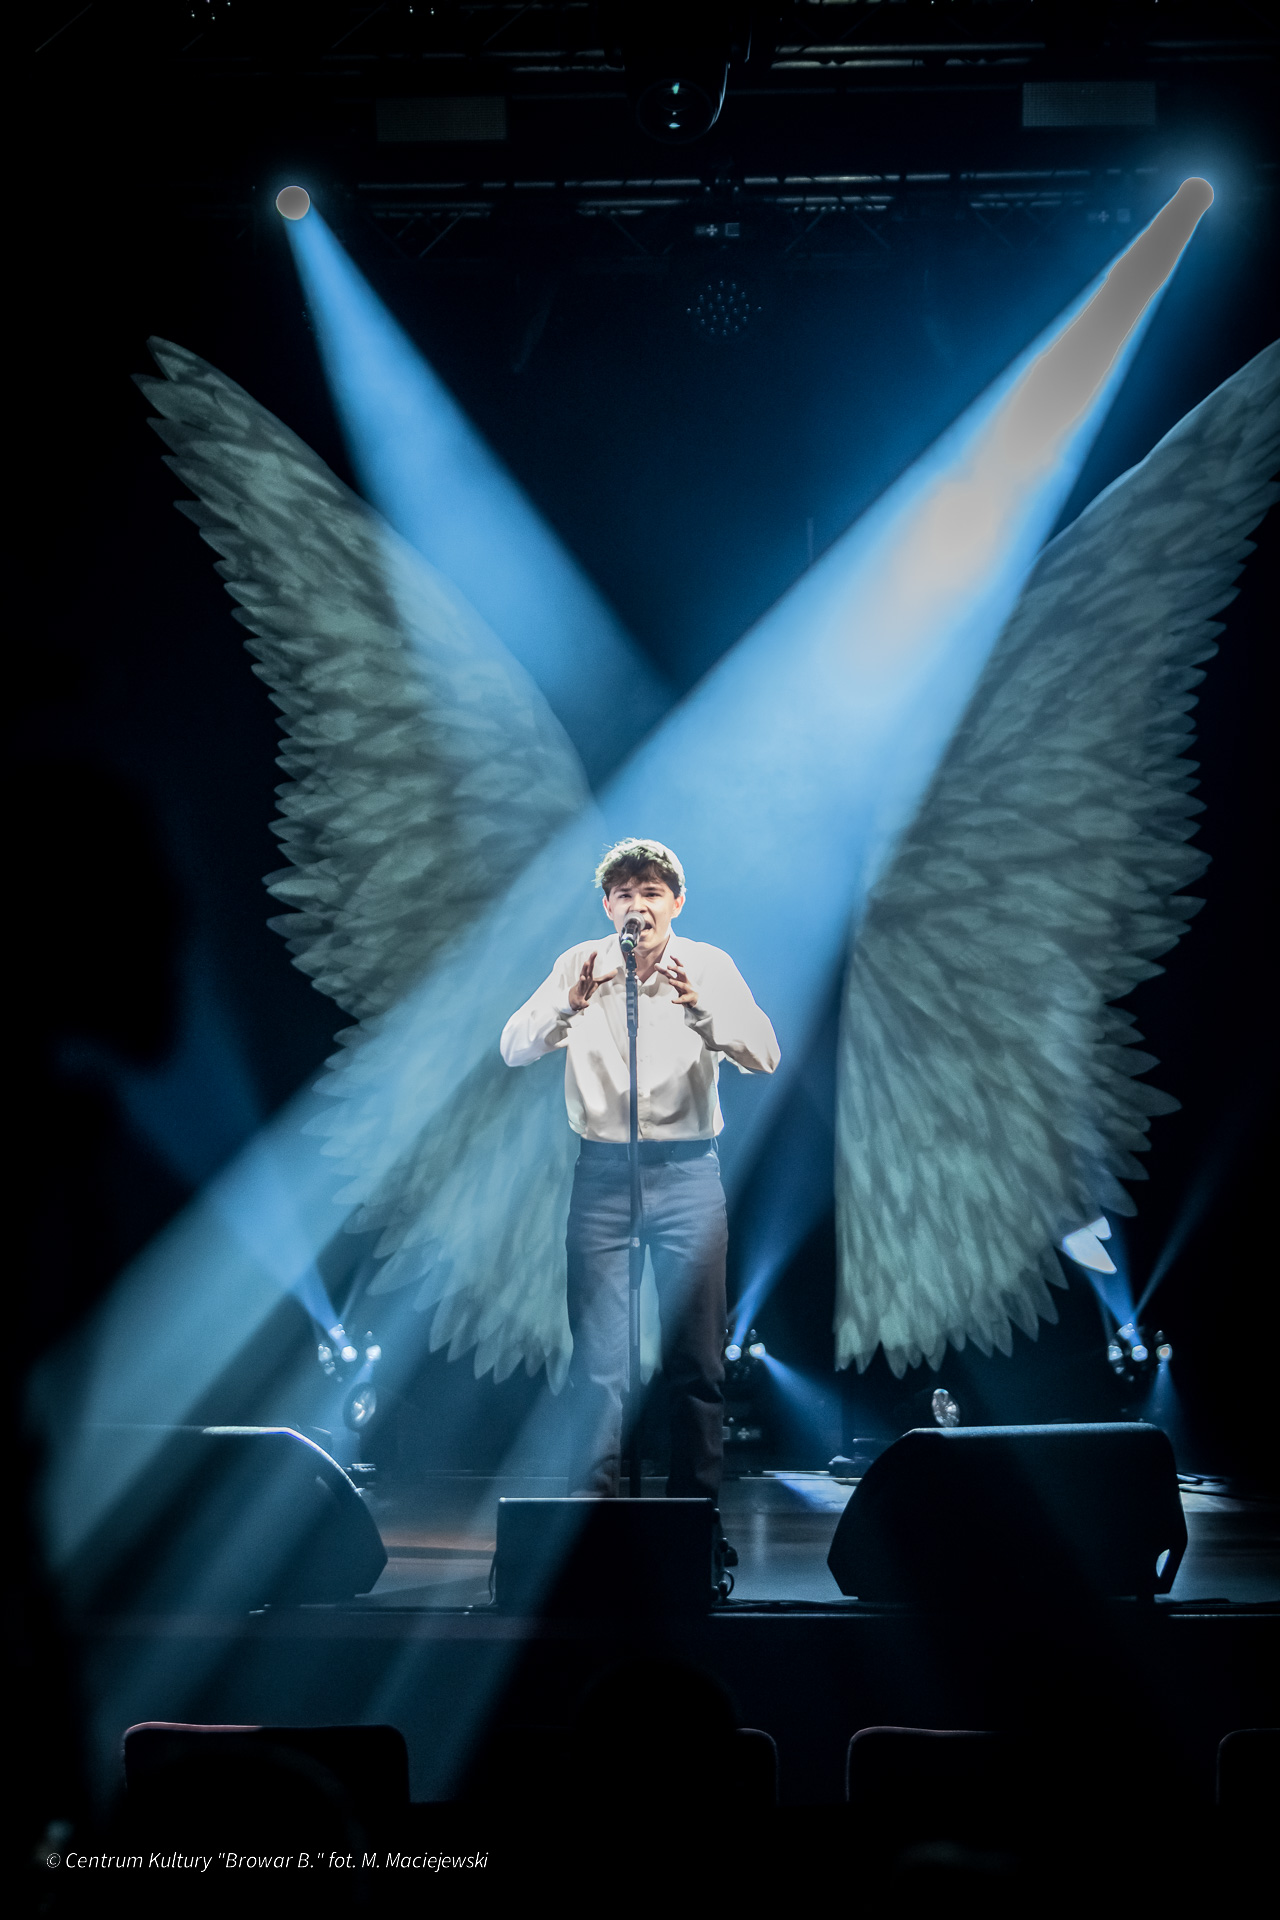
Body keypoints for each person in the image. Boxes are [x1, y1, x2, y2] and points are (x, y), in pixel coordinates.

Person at [500, 838, 779, 1497]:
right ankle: (594, 1513)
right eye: (624, 894)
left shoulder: (707, 966)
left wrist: (703, 1011)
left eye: (651, 893)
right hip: (602, 1175)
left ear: (676, 902)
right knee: (599, 1360)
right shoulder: (580, 965)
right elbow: (513, 1047)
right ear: (607, 905)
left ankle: (694, 1518)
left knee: (697, 1358)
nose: (638, 905)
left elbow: (765, 1054)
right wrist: (567, 1006)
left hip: (687, 1176)